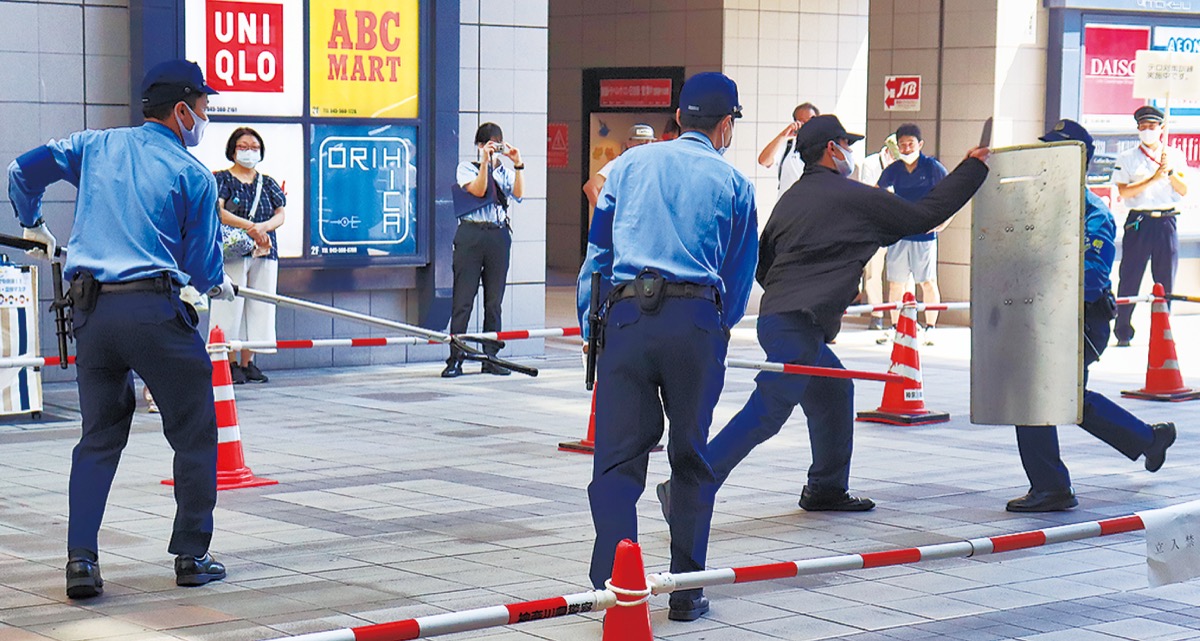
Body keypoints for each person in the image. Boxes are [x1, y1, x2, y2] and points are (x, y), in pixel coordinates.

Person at [6, 59, 235, 599]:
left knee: (100, 437)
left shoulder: (93, 145)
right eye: (203, 107)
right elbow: (202, 270)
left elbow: (21, 170)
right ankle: (191, 556)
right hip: (154, 314)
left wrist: (32, 224)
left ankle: (81, 561)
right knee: (195, 432)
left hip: (92, 316)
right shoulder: (192, 175)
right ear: (182, 111)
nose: (206, 116)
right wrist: (218, 281)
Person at [703, 114, 988, 513]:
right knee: (768, 410)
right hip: (797, 323)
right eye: (847, 145)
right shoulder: (850, 195)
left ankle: (826, 488)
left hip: (784, 319)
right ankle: (692, 482)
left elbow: (763, 262)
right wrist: (974, 167)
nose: (851, 153)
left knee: (835, 391)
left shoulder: (793, 199)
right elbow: (925, 217)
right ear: (831, 150)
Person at [578, 72, 758, 622]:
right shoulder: (735, 183)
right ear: (725, 124)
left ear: (679, 116)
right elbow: (740, 271)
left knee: (615, 461)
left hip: (628, 317)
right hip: (695, 321)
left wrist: (593, 325)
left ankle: (615, 584)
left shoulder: (628, 165)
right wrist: (714, 327)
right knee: (690, 455)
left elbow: (598, 253)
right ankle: (686, 589)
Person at [1007, 120, 1176, 512]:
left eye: (1057, 151)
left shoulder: (1092, 212)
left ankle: (1052, 487)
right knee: (1070, 400)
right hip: (1046, 317)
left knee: (1037, 396)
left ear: (1078, 159)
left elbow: (1091, 278)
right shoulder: (1039, 204)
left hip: (1079, 321)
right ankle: (1148, 440)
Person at [443, 123, 524, 378]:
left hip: (498, 235)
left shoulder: (505, 172)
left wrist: (518, 164)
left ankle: (491, 357)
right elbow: (478, 190)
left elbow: (520, 193)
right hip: (471, 234)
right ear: (479, 145)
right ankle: (456, 358)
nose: (494, 149)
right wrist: (485, 163)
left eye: (497, 144)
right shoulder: (466, 168)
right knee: (463, 300)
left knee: (494, 302)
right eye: (489, 144)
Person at [208, 127, 286, 384]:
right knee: (230, 303)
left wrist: (263, 228)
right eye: (243, 146)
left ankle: (248, 361)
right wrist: (250, 227)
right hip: (234, 251)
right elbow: (218, 212)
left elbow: (280, 214)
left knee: (261, 304)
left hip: (265, 250)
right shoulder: (222, 179)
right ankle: (228, 361)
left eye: (254, 147)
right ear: (232, 150)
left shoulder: (269, 182)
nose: (249, 151)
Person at [1112, 105, 1189, 347]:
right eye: (1143, 127)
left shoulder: (1174, 155)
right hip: (1139, 221)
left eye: (1152, 127)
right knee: (1130, 276)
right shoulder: (1127, 158)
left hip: (1166, 220)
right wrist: (1152, 179)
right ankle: (1123, 330)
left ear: (1161, 128)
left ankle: (1163, 328)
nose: (1148, 131)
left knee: (1165, 277)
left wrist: (1170, 173)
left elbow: (1184, 189)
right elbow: (1125, 191)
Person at [876, 124, 949, 345]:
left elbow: (952, 195)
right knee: (896, 283)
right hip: (899, 233)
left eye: (911, 144)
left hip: (924, 234)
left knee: (927, 282)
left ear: (920, 144)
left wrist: (944, 223)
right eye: (902, 145)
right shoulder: (894, 169)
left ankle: (930, 327)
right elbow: (877, 194)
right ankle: (896, 326)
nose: (907, 149)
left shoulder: (932, 167)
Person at [856, 134, 899, 330]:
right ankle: (877, 315)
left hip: (899, 224)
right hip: (876, 226)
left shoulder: (910, 165)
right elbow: (867, 194)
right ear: (888, 151)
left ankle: (899, 319)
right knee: (873, 272)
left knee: (900, 276)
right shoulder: (871, 163)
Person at [582, 123, 655, 216]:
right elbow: (591, 187)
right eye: (641, 141)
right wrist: (605, 216)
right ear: (629, 143)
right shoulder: (621, 162)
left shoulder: (653, 164)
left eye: (650, 141)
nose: (646, 145)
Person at [757, 102, 820, 197]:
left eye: (810, 122)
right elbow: (764, 160)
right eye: (801, 122)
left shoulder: (824, 148)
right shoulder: (787, 146)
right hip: (787, 207)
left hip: (813, 207)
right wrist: (783, 135)